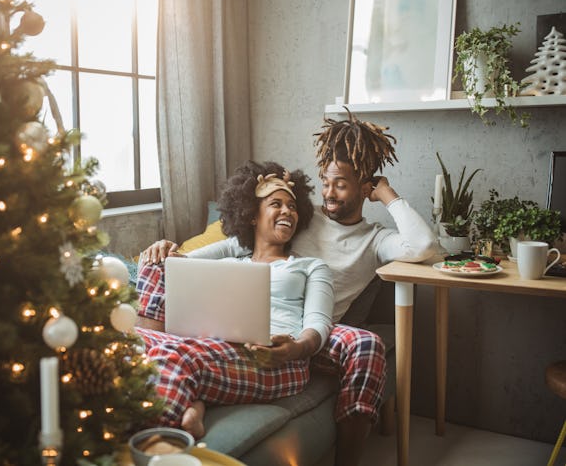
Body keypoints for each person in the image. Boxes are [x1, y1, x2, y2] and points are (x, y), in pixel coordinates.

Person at [140, 112, 436, 466]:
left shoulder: (375, 240)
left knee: (365, 343)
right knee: (156, 272)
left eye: (341, 184)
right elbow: (240, 246)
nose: (328, 192)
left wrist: (386, 193)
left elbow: (423, 248)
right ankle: (162, 362)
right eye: (325, 181)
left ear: (363, 186)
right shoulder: (299, 218)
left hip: (318, 328)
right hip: (251, 317)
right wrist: (171, 252)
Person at [135, 160, 334, 439]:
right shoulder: (231, 261)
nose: (287, 211)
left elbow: (319, 324)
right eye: (276, 204)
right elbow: (175, 267)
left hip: (276, 360)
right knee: (155, 265)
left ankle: (155, 439)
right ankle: (190, 404)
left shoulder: (311, 266)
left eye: (292, 207)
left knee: (168, 354)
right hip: (214, 346)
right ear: (253, 215)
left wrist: (296, 348)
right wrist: (161, 248)